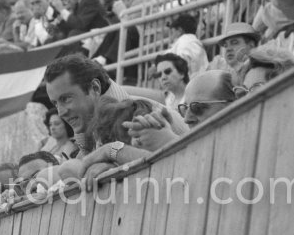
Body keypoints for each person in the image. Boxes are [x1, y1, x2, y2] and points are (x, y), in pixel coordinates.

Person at [44, 54, 188, 158]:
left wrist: (109, 155)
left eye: (66, 99)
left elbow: (158, 165)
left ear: (95, 88)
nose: (61, 112)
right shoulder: (86, 121)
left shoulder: (139, 114)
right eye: (55, 103)